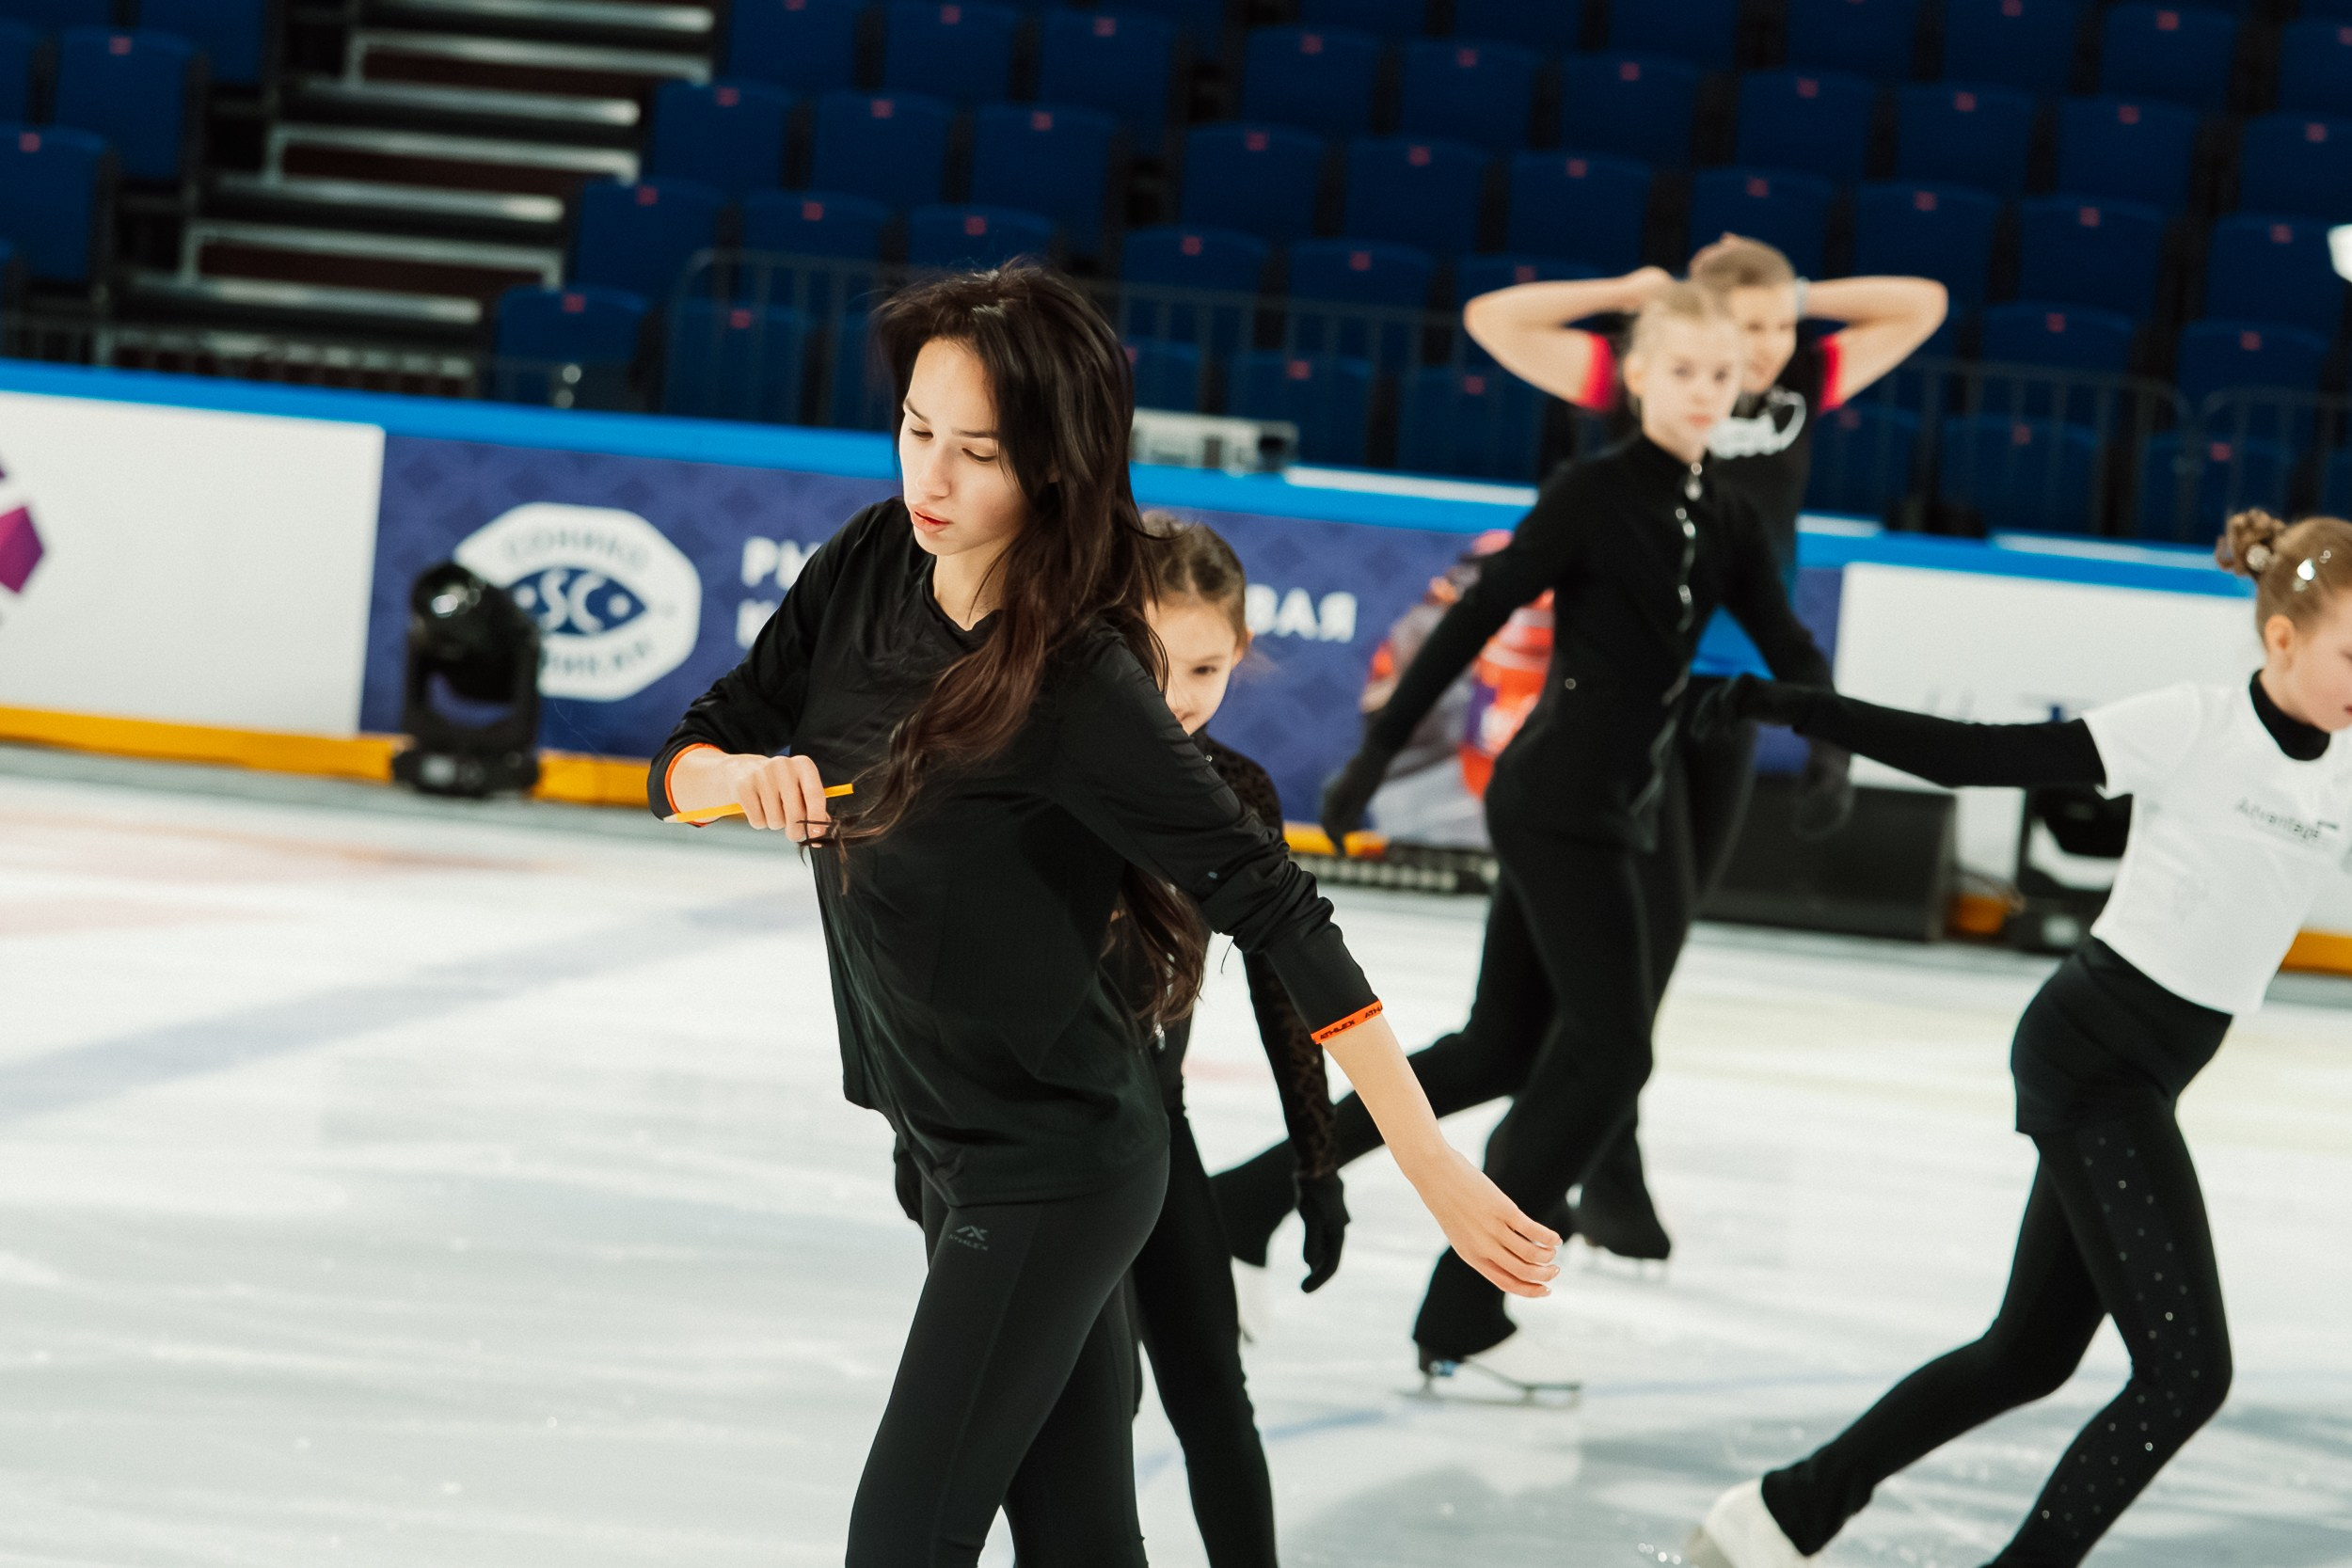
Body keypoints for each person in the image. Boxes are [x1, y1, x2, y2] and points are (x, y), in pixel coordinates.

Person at [647, 265, 1558, 1567]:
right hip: (941, 1140)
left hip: (1051, 1166)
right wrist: (734, 780)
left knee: (899, 1543)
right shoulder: (868, 560)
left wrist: (1424, 1158)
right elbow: (693, 747)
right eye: (917, 430)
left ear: (1059, 467)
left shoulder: (1075, 678)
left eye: (980, 451)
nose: (935, 479)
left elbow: (1277, 904)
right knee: (1082, 1539)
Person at [1688, 507, 2352, 1568]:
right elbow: (1973, 755)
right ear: (2283, 640)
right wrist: (1797, 706)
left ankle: (1779, 1510)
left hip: (2144, 1069)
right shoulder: (2192, 723)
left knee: (2024, 1355)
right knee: (2186, 1371)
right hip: (2095, 1054)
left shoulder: (2342, 761)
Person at [1226, 283, 1834, 1393]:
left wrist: (1830, 742)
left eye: (1721, 372)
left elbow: (1790, 637)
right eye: (1684, 369)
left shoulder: (1726, 513)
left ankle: (1250, 1194)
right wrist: (1369, 758)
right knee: (1613, 1049)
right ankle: (1466, 1310)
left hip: (1613, 804)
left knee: (1500, 1048)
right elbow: (1473, 614)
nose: (1706, 389)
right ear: (1639, 375)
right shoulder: (1594, 494)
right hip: (1556, 802)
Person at [1460, 236, 1949, 1258]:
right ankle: (1596, 1157)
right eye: (1748, 328)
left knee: (1659, 938)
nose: (1770, 347)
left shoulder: (1800, 381)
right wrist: (1629, 291)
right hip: (1625, 694)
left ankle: (1579, 1141)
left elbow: (1922, 300)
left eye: (1780, 329)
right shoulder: (1659, 390)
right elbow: (1492, 321)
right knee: (1603, 953)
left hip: (1737, 698)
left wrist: (1798, 294)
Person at [1120, 514, 1343, 1568]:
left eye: (1204, 665)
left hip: (1158, 1139)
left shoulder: (1238, 792)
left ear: (1242, 651)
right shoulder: (1050, 767)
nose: (1177, 693)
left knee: (1215, 1389)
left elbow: (1284, 989)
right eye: (1149, 663)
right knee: (1085, 1401)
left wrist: (1318, 1165)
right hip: (1027, 1143)